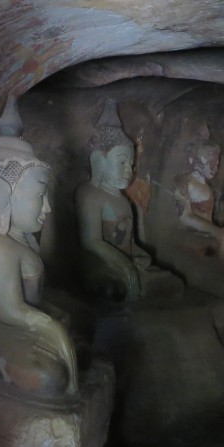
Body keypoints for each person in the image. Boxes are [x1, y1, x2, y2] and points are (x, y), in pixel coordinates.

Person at [0, 97, 78, 399]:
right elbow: (8, 310)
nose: (48, 207)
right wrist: (53, 329)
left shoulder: (19, 237)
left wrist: (52, 319)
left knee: (81, 319)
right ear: (1, 196)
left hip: (21, 320)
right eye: (40, 195)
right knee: (49, 377)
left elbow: (32, 303)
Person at [76, 99, 183, 301]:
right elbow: (91, 242)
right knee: (111, 291)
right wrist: (126, 267)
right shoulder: (89, 193)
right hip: (101, 262)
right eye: (122, 162)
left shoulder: (124, 199)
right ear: (98, 161)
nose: (129, 171)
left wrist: (137, 258)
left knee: (171, 284)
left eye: (131, 164)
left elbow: (130, 243)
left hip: (129, 260)